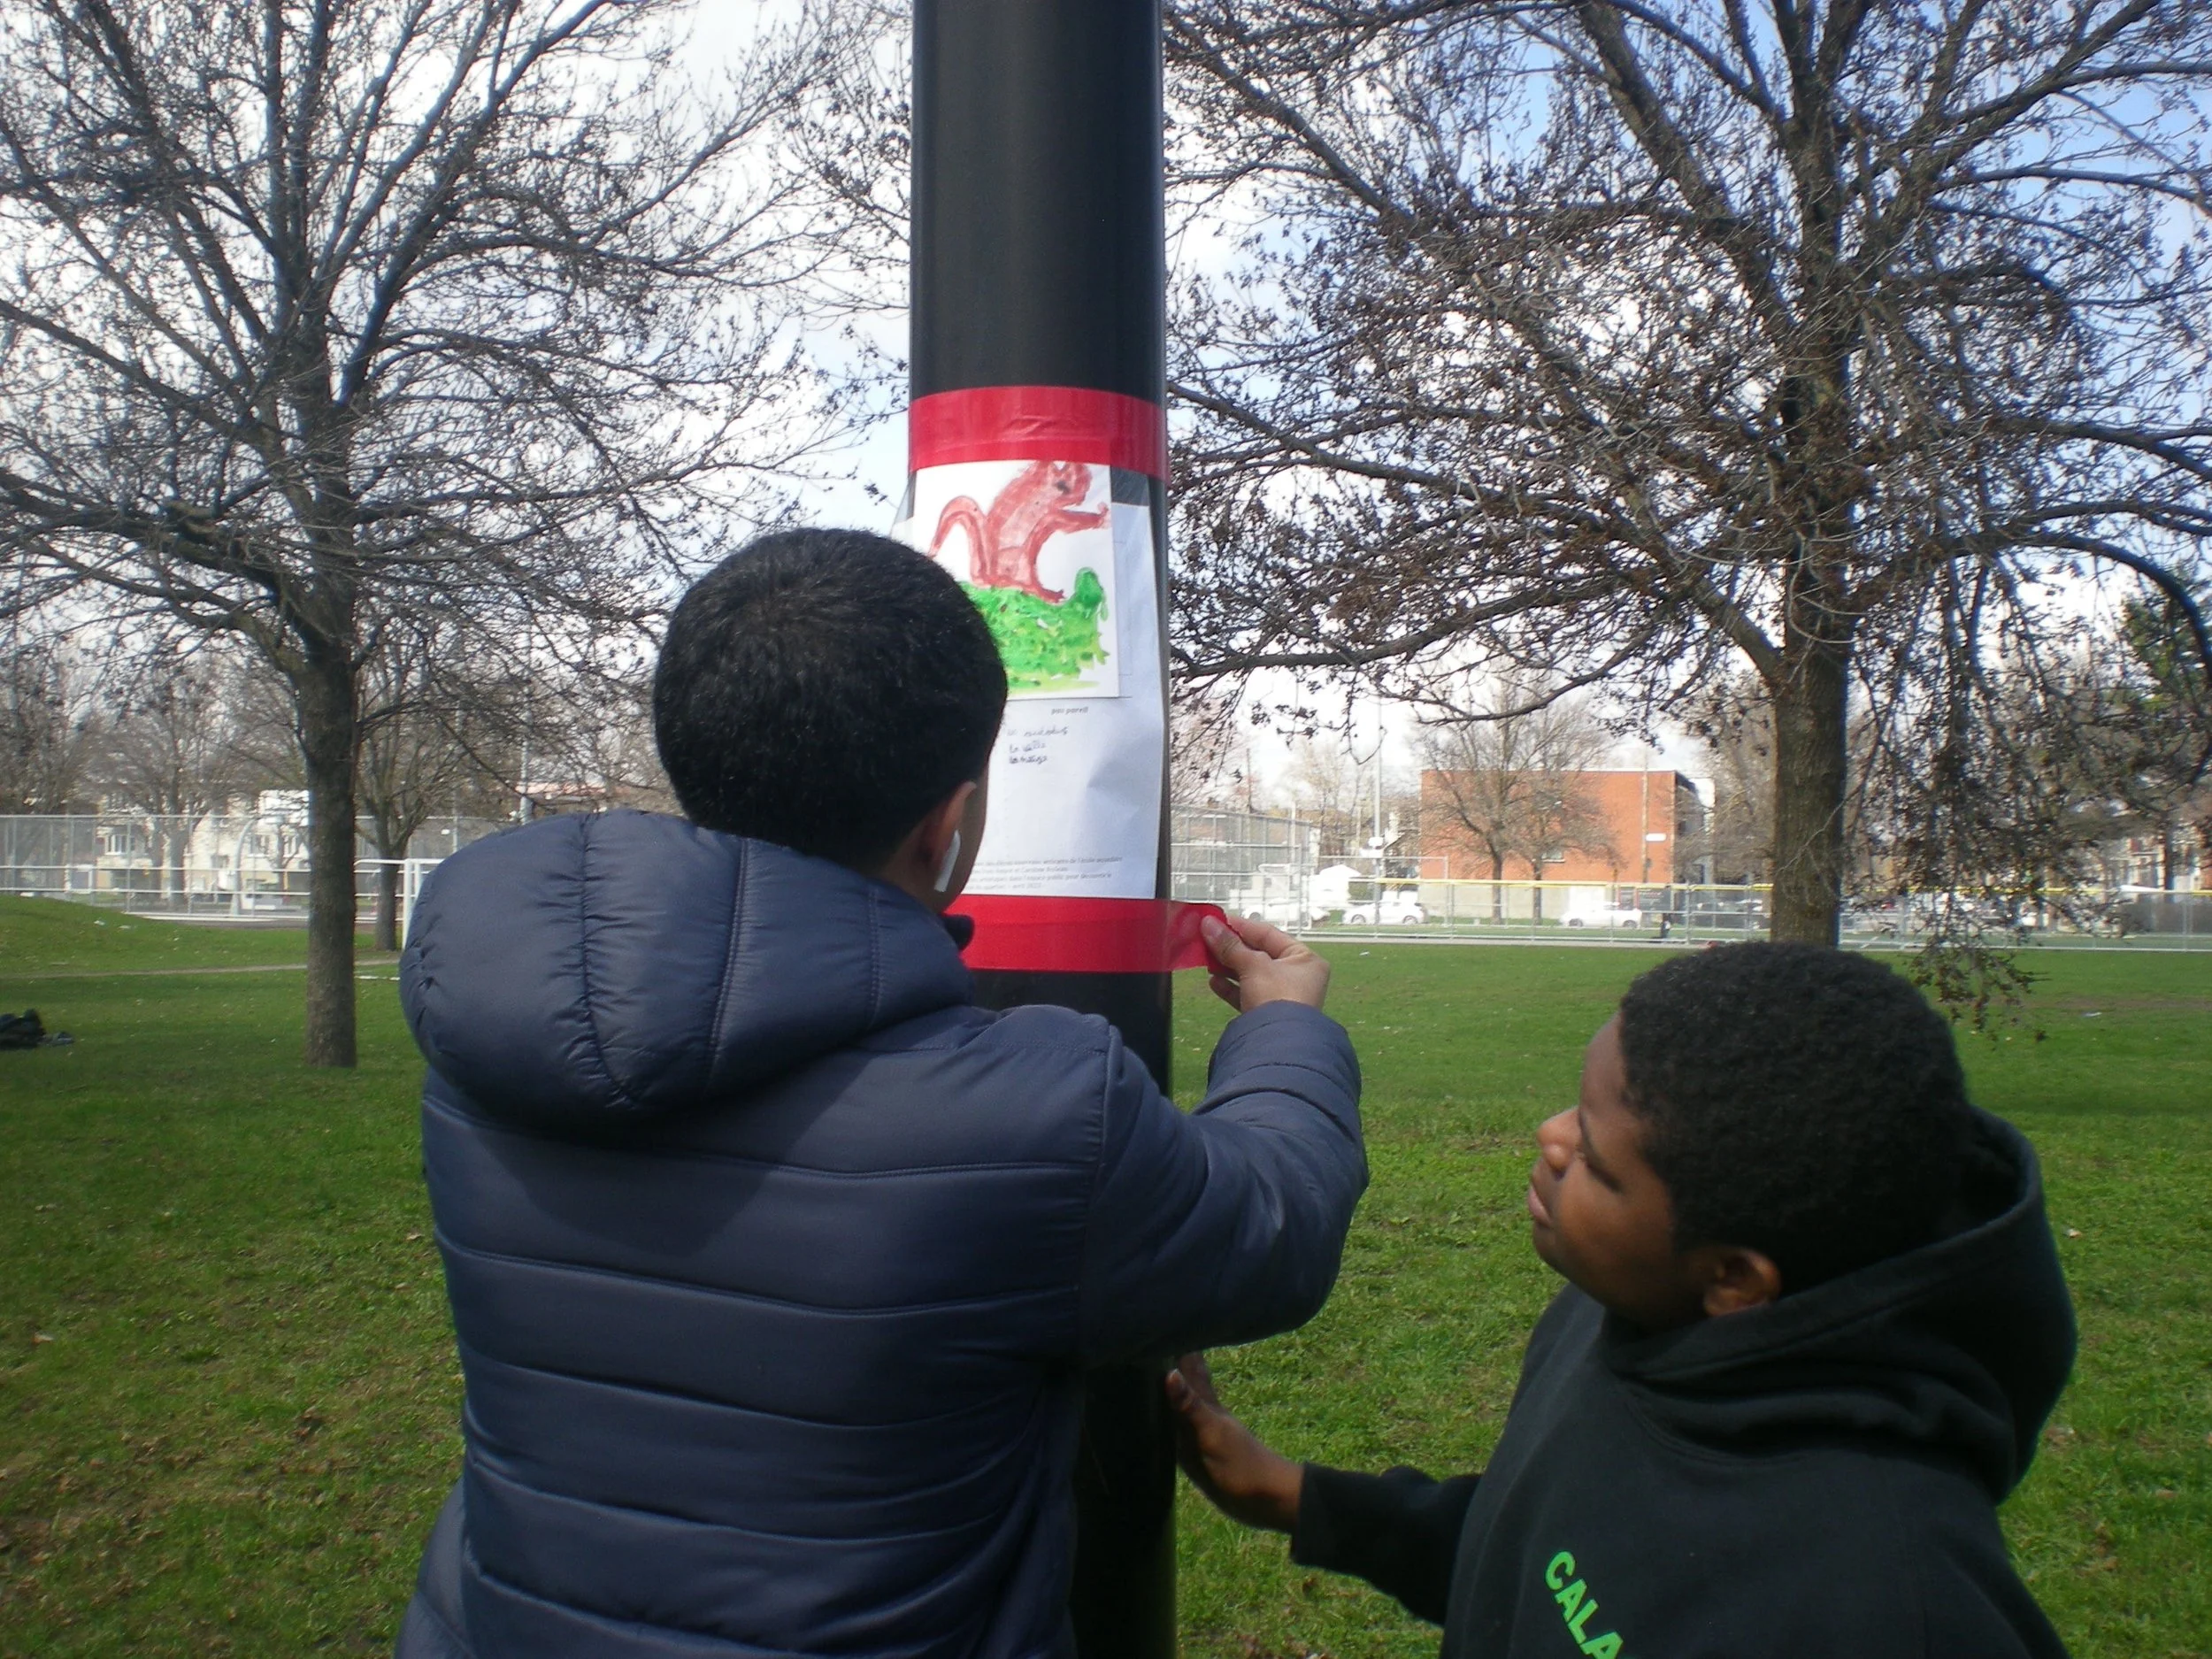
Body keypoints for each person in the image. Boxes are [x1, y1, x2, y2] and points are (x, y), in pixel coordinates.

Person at [394, 528, 1367, 1657]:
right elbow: (1274, 1226)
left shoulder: (494, 1048)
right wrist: (1287, 1033)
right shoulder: (1037, 1119)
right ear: (946, 826)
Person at [1166, 942, 2076, 1658]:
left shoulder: (1882, 1607)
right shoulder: (1631, 1318)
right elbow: (1555, 1563)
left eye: (1596, 1160)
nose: (1550, 1137)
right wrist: (1299, 1498)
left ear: (1732, 1279)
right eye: (1575, 1107)